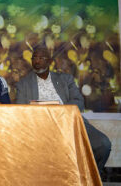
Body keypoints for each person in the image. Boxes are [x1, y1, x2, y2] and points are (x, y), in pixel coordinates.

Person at [15, 46, 111, 176]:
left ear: (49, 61)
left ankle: (90, 177)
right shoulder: (23, 84)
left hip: (70, 122)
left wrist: (62, 113)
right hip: (41, 127)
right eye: (34, 58)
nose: (37, 61)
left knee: (103, 144)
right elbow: (20, 110)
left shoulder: (66, 79)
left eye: (41, 58)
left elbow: (78, 101)